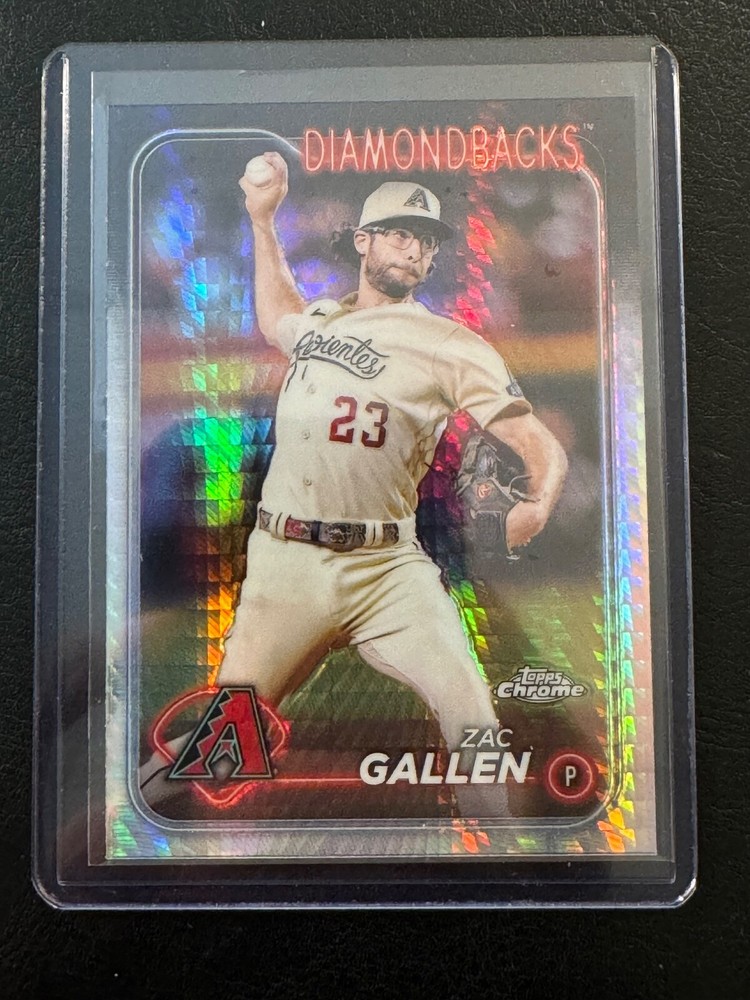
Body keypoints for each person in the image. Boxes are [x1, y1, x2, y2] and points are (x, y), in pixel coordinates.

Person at [141, 154, 567, 820]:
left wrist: (538, 502)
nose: (413, 248)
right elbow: (277, 313)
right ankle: (125, 820)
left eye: (425, 239)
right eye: (398, 233)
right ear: (363, 241)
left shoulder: (449, 344)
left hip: (388, 568)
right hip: (287, 561)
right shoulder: (320, 323)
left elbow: (537, 442)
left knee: (474, 722)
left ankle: (506, 855)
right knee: (223, 750)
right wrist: (261, 218)